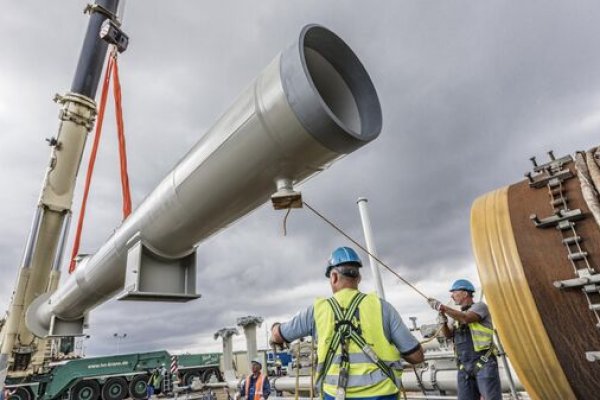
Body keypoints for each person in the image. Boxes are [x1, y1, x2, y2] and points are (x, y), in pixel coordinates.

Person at [270, 246, 424, 400]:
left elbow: (278, 335)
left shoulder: (316, 312)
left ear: (334, 277)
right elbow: (416, 357)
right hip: (383, 394)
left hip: (335, 395)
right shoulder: (382, 308)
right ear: (358, 278)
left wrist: (274, 328)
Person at [428, 279, 502, 400]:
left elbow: (466, 318)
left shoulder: (480, 307)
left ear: (465, 293)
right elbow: (448, 335)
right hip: (464, 367)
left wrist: (442, 307)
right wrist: (443, 321)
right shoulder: (457, 316)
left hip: (484, 363)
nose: (452, 295)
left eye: (454, 292)